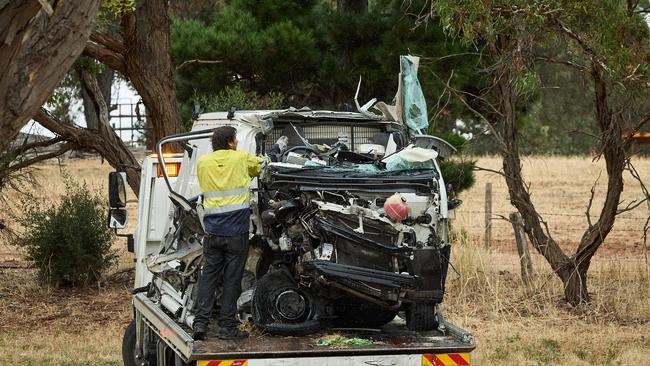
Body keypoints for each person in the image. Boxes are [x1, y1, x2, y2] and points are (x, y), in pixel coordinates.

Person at [192, 126, 262, 341]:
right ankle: (227, 328)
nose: (238, 143)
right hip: (236, 231)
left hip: (212, 231)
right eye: (236, 140)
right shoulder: (241, 158)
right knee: (232, 279)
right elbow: (259, 167)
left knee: (209, 276)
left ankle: (200, 323)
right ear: (231, 142)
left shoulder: (203, 162)